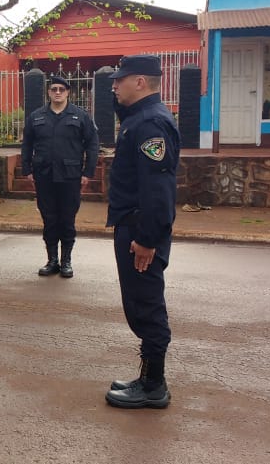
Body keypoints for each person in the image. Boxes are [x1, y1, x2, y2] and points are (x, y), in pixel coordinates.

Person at [103, 54, 181, 410]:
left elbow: (157, 190)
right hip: (134, 225)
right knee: (138, 302)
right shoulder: (140, 119)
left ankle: (153, 384)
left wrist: (148, 239)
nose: (114, 85)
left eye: (120, 79)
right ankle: (148, 377)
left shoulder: (150, 124)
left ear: (140, 82)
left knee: (146, 304)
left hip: (141, 230)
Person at [20, 75, 99, 278]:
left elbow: (92, 145)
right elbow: (27, 144)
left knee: (67, 219)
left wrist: (88, 172)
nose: (57, 92)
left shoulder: (80, 116)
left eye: (61, 89)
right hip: (44, 176)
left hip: (70, 176)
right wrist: (27, 169)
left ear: (67, 93)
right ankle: (52, 260)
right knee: (49, 219)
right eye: (54, 89)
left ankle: (66, 261)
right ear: (48, 92)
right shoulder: (36, 116)